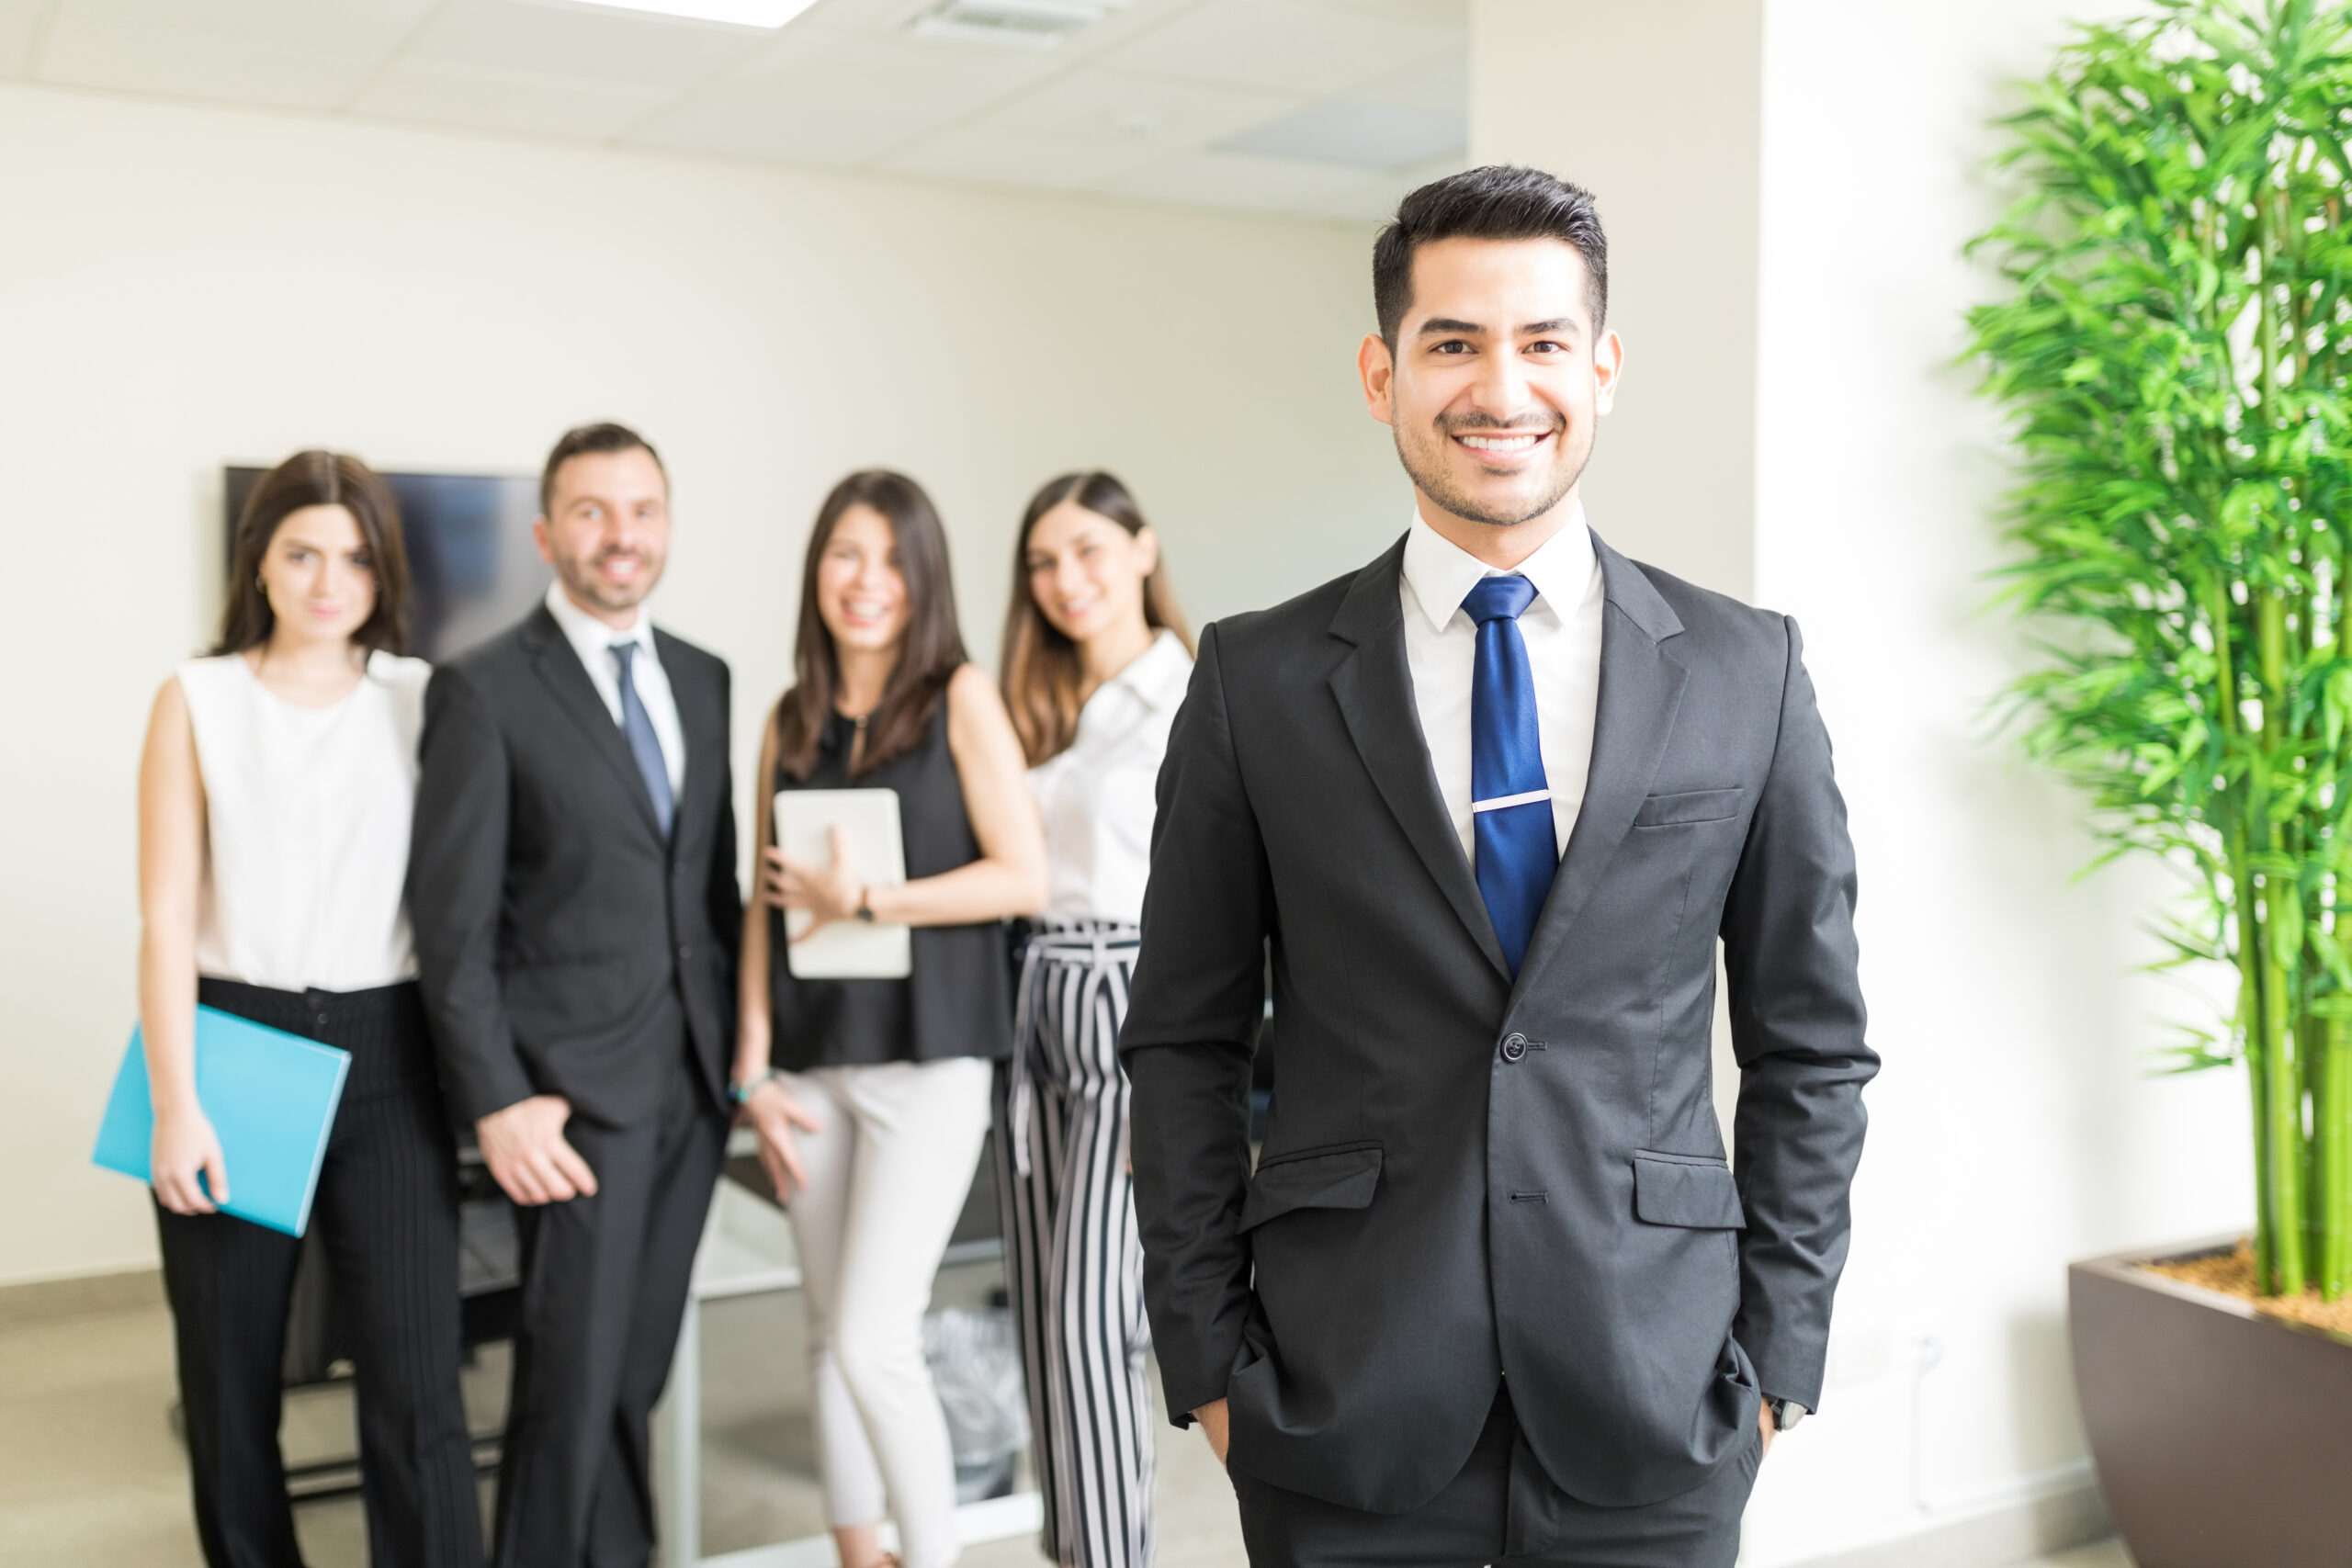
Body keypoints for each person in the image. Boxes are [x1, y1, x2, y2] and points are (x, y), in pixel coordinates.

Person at [1121, 164, 1879, 1567]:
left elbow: (1812, 1047)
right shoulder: (1258, 679)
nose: (1500, 385)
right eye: (1453, 341)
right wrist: (1212, 1359)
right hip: (1336, 1391)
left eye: (1540, 341)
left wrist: (1776, 1353)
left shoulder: (1744, 670)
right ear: (1381, 370)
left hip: (1657, 1388)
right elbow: (1180, 1039)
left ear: (1602, 364)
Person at [135, 450, 481, 1568]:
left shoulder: (427, 699)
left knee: (417, 1380)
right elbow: (163, 921)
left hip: (391, 1048)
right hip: (234, 1049)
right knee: (230, 1386)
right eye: (301, 553)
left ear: (383, 570)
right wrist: (176, 1105)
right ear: (261, 561)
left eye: (354, 557)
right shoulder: (197, 699)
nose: (328, 581)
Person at [409, 423, 740, 1568]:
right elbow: (448, 932)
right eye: (592, 512)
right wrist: (499, 1100)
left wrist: (753, 1068)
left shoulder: (704, 677)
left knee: (628, 1380)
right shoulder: (483, 690)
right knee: (569, 1384)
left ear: (668, 526)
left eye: (641, 509)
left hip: (692, 1091)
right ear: (548, 533)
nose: (620, 535)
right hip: (568, 1103)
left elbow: (713, 895)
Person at [731, 470, 1046, 1568]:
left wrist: (868, 900)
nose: (865, 582)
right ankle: (861, 1554)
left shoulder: (958, 695)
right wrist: (751, 1072)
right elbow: (761, 912)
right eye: (843, 555)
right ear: (816, 569)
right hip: (812, 1069)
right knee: (828, 1340)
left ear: (923, 580)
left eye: (890, 560)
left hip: (932, 1062)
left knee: (875, 1342)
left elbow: (1022, 873)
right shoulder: (789, 717)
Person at [993, 472, 1192, 1568]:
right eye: (1042, 562)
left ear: (1142, 550)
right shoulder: (1040, 706)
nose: (1064, 580)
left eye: (1086, 551)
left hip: (1128, 1000)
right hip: (1034, 1002)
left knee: (1091, 1331)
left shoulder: (1191, 697)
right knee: (1039, 1329)